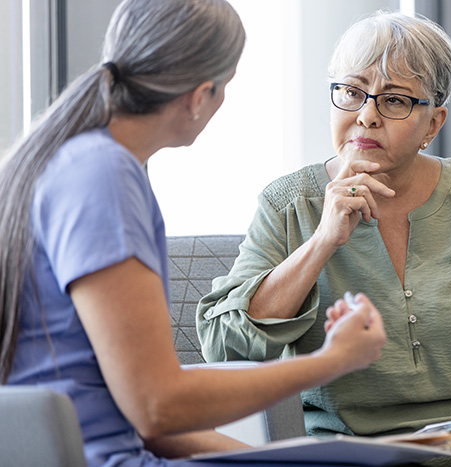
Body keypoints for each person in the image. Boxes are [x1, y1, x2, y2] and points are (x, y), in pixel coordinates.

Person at [0, 0, 388, 466]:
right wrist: (332, 361)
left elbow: (143, 418)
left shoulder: (80, 162)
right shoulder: (103, 178)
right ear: (201, 94)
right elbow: (159, 405)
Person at [196, 10, 451, 467]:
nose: (366, 116)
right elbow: (224, 347)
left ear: (433, 124)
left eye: (394, 101)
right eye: (351, 93)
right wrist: (322, 242)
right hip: (353, 455)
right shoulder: (288, 205)